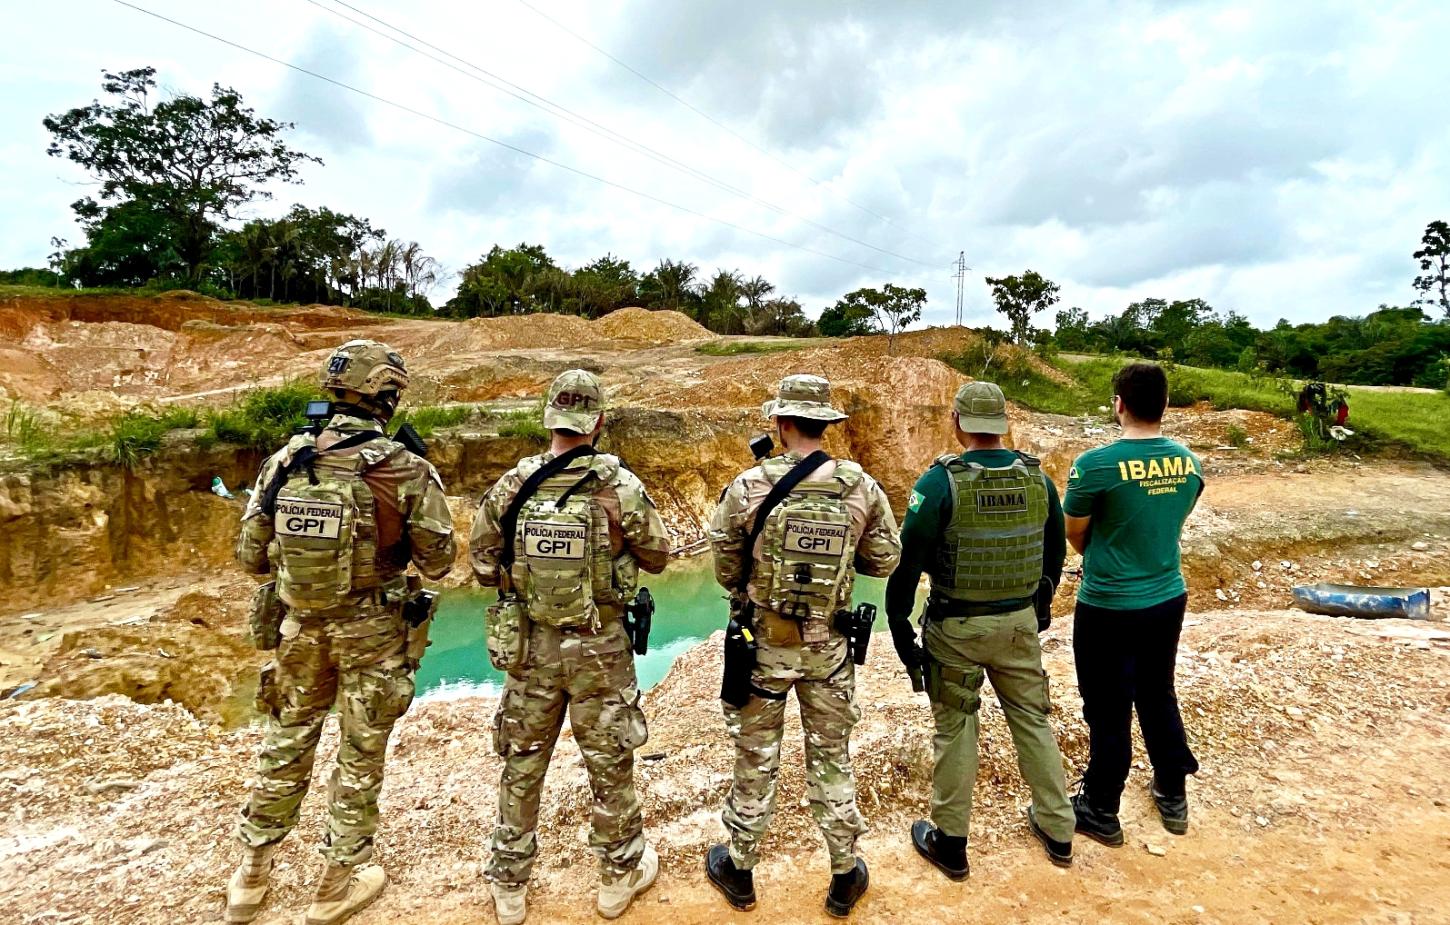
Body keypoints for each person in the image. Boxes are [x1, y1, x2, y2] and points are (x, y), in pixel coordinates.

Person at [226, 340, 456, 925]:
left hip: (300, 630)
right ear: (386, 394)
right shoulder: (403, 467)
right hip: (373, 631)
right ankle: (334, 887)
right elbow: (438, 561)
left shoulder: (285, 461)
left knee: (286, 742)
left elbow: (252, 557)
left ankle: (250, 878)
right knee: (359, 756)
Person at [470, 369, 670, 925]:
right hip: (599, 649)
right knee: (609, 763)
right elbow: (658, 555)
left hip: (531, 648)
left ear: (550, 418)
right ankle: (618, 875)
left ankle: (510, 884)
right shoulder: (618, 486)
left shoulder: (514, 485)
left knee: (522, 762)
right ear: (598, 421)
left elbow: (482, 563)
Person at [704, 374, 901, 919]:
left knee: (755, 756)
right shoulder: (860, 488)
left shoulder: (747, 487)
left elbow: (725, 568)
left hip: (762, 647)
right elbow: (884, 561)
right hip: (829, 649)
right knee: (831, 759)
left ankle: (740, 867)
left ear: (782, 424)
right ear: (825, 424)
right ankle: (844, 874)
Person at [884, 381, 1076, 881]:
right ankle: (1058, 830)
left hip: (956, 627)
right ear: (1003, 425)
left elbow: (908, 564)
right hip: (1017, 624)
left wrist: (899, 623)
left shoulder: (938, 483)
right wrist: (1040, 604)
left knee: (956, 728)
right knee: (1033, 720)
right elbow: (1053, 553)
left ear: (957, 424)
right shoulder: (1038, 481)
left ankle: (951, 842)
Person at [1063, 362, 1205, 845]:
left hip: (1107, 603)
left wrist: (1104, 555)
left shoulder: (1095, 464)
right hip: (1167, 595)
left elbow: (1075, 532)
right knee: (1157, 691)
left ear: (1118, 404)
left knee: (1107, 704)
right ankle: (1172, 790)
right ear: (1165, 405)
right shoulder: (1188, 462)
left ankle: (1101, 806)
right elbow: (1175, 516)